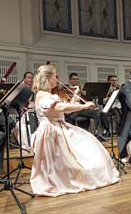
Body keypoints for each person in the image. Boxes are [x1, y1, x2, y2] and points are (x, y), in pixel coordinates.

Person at [30, 64, 120, 196]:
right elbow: (60, 108)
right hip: (53, 130)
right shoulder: (44, 95)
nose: (57, 80)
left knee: (88, 142)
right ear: (49, 78)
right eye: (55, 76)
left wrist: (75, 98)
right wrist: (83, 106)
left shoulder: (46, 94)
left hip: (56, 126)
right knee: (82, 150)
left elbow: (61, 110)